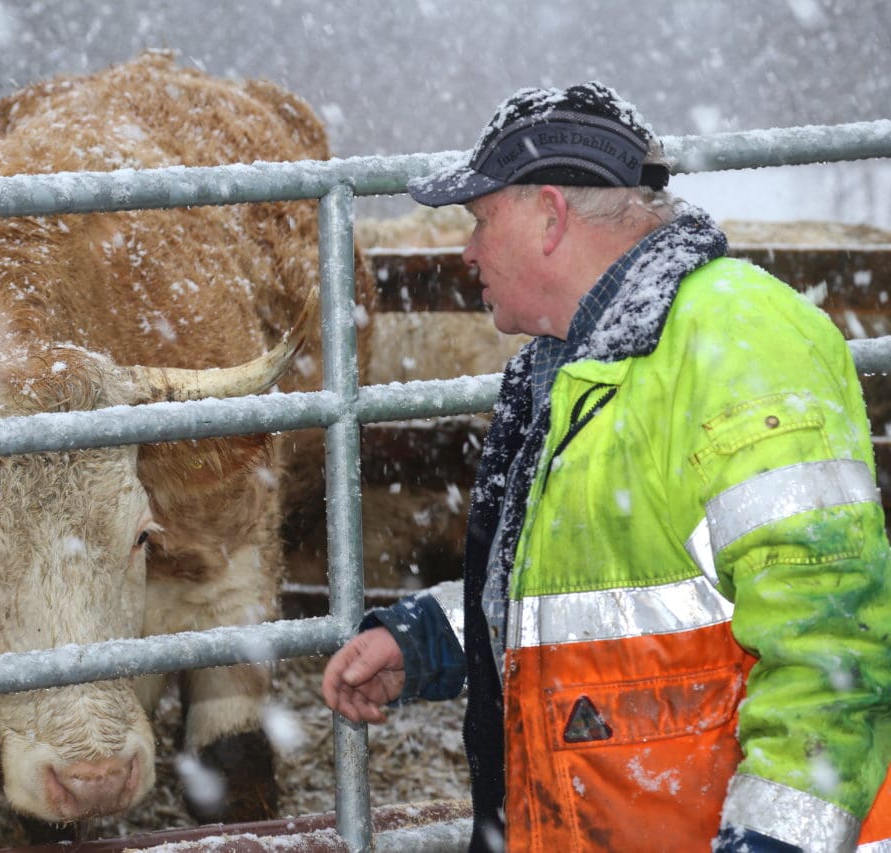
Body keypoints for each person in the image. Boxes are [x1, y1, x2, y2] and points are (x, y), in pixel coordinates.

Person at [322, 82, 891, 852]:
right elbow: (607, 585)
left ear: (550, 216)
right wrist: (434, 638)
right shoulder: (558, 368)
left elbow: (832, 644)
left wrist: (775, 842)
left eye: (481, 221)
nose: (468, 250)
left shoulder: (741, 342)